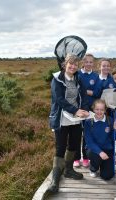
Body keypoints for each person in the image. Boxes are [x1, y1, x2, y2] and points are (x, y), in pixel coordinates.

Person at [47, 54, 90, 194]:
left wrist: (83, 109)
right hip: (62, 118)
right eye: (70, 64)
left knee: (74, 144)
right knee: (60, 147)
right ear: (65, 64)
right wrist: (75, 110)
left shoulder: (78, 79)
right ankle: (55, 179)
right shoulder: (57, 79)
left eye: (75, 65)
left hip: (76, 118)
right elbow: (59, 99)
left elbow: (82, 95)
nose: (73, 66)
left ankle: (69, 170)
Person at [74, 53, 100, 168]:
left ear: (93, 63)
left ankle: (85, 157)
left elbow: (97, 92)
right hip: (78, 109)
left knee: (87, 133)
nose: (89, 64)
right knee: (76, 133)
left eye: (91, 62)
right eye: (86, 62)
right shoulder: (77, 74)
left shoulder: (95, 76)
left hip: (90, 109)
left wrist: (86, 91)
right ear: (83, 62)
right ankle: (76, 158)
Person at [84, 99, 115, 180]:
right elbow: (89, 141)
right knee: (95, 156)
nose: (99, 112)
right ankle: (93, 168)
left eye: (102, 109)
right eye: (97, 109)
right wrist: (100, 152)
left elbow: (113, 138)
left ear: (105, 110)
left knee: (107, 176)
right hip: (93, 150)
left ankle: (102, 164)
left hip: (107, 149)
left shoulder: (110, 120)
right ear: (93, 109)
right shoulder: (89, 122)